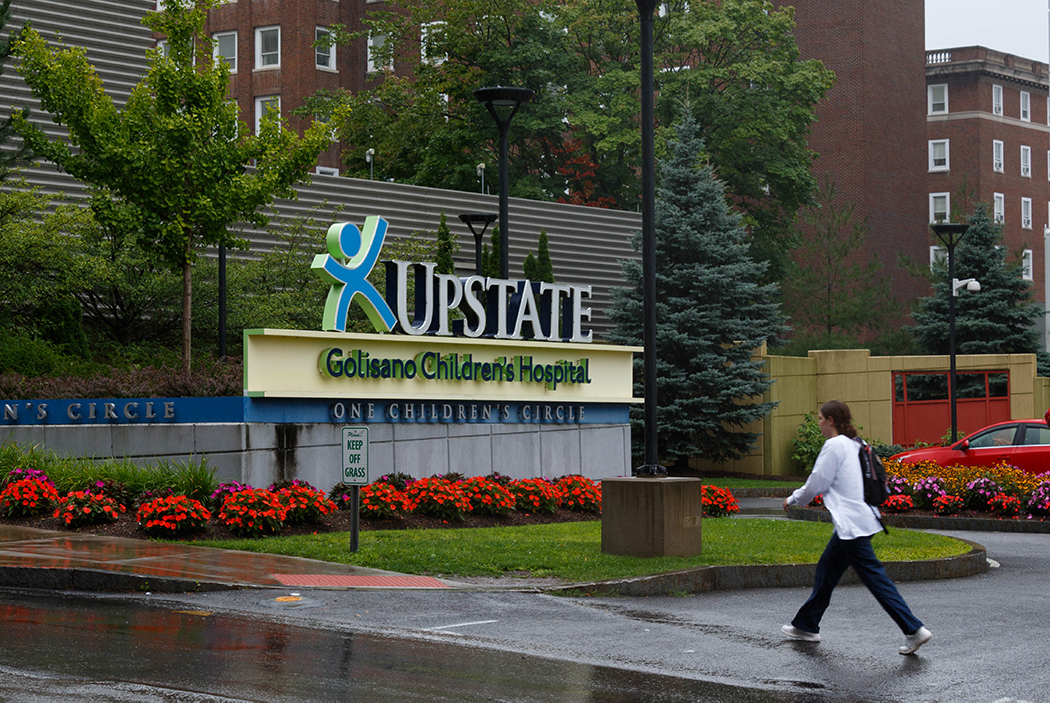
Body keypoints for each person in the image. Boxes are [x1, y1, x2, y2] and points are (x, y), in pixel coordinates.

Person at [781, 400, 932, 655]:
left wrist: (793, 498)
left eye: (820, 418)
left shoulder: (835, 445)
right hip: (857, 521)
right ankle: (807, 625)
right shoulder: (855, 443)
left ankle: (914, 629)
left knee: (875, 579)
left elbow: (817, 483)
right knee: (826, 572)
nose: (818, 423)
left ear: (830, 420)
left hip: (852, 526)